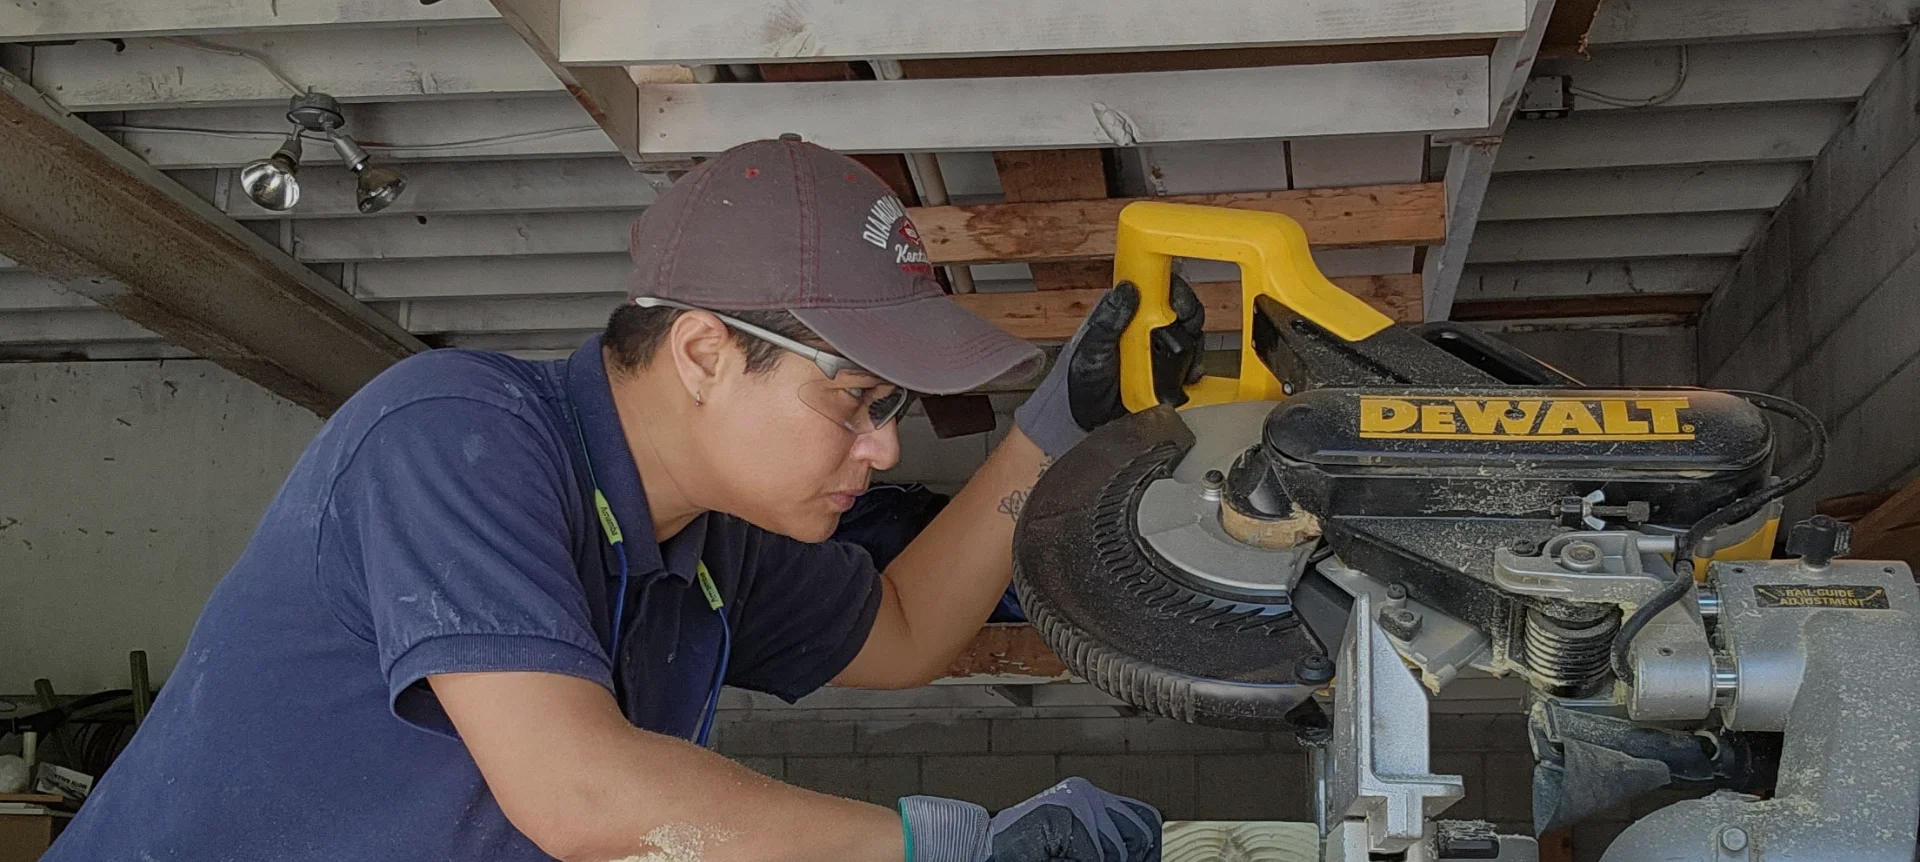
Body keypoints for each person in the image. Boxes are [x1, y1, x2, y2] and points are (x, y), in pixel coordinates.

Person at [44, 136, 1203, 862]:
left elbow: (902, 632)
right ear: (702, 351)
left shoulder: (707, 533)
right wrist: (942, 844)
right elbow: (583, 793)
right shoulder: (455, 437)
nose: (885, 447)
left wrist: (1059, 432)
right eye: (853, 400)